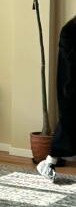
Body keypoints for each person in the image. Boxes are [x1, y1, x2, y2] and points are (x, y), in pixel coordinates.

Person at [37, 16, 76, 180]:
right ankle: (49, 163)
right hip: (71, 87)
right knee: (68, 124)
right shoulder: (69, 31)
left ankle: (50, 162)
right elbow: (70, 63)